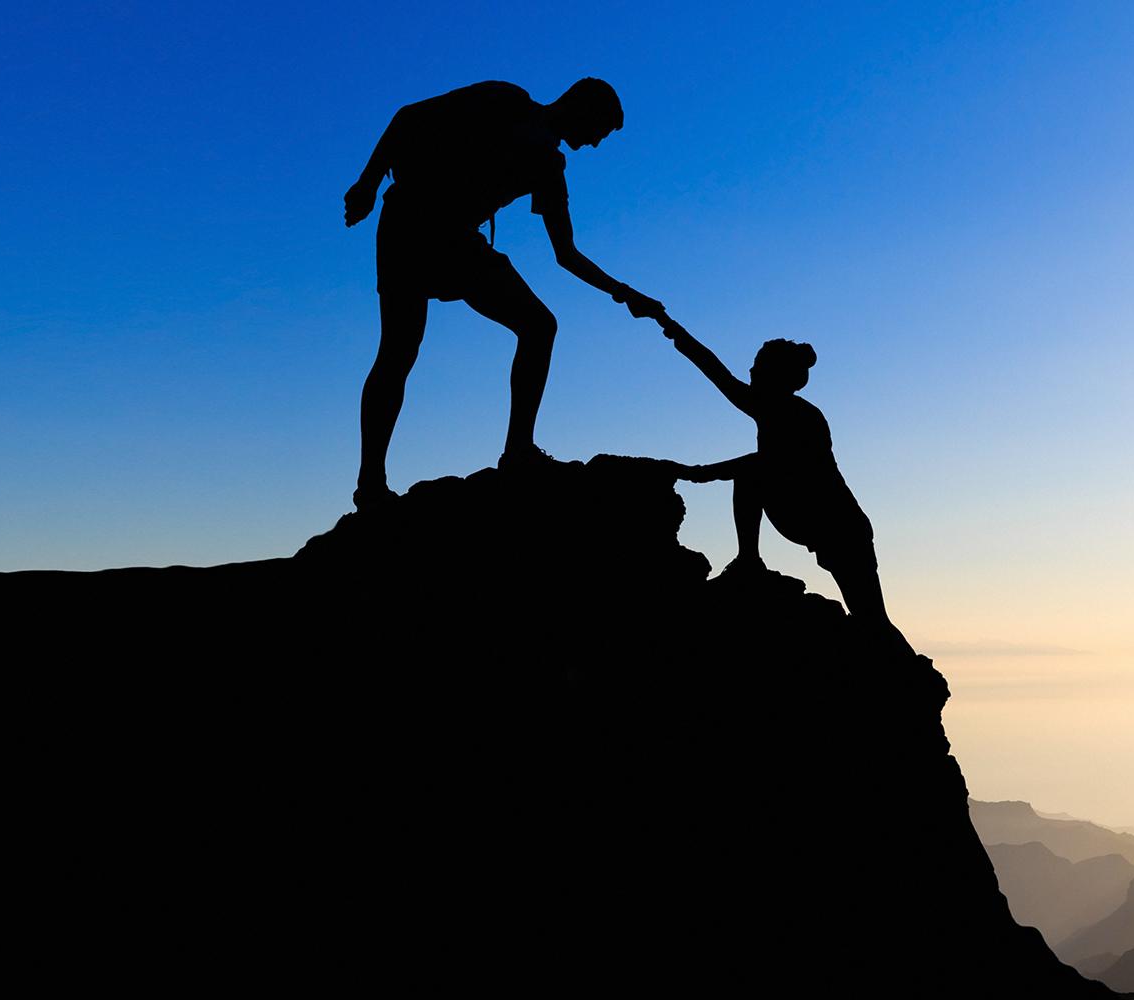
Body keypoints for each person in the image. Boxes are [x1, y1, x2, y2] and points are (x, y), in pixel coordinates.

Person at [341, 78, 661, 509]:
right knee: (398, 351)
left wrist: (624, 293)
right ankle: (371, 485)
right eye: (600, 131)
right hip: (409, 222)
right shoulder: (503, 99)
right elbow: (407, 117)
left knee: (539, 326)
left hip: (459, 241)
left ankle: (518, 452)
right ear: (581, 106)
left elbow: (566, 253)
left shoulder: (549, 168)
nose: (596, 144)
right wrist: (368, 183)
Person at [652, 312, 902, 644]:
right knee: (870, 619)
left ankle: (900, 674)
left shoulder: (796, 415)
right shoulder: (776, 407)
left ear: (777, 375)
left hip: (838, 526)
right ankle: (748, 559)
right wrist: (668, 326)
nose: (751, 371)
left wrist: (696, 474)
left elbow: (763, 461)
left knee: (872, 620)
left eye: (758, 366)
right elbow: (715, 371)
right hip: (814, 517)